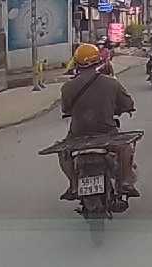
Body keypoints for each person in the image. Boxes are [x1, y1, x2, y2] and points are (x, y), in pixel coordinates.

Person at [59, 43, 139, 199]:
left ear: (76, 63)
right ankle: (125, 182)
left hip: (78, 136)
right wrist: (124, 109)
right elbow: (128, 104)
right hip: (107, 134)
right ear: (98, 61)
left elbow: (65, 109)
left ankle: (74, 184)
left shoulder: (67, 87)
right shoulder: (112, 83)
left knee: (64, 153)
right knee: (126, 149)